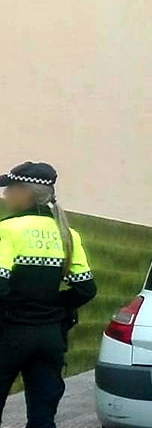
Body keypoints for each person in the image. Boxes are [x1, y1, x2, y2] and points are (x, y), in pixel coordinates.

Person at [0, 162, 97, 428]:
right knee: (43, 418)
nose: (6, 195)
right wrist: (50, 306)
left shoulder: (7, 230)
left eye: (10, 189)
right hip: (51, 337)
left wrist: (20, 307)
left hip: (10, 334)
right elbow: (86, 289)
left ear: (25, 192)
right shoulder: (68, 234)